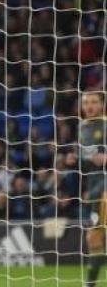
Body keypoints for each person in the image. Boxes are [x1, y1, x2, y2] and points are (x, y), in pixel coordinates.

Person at [81, 90, 107, 287]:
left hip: (104, 192)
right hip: (93, 191)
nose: (89, 106)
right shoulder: (83, 127)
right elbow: (85, 157)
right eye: (86, 102)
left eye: (93, 102)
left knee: (94, 237)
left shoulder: (105, 124)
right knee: (94, 241)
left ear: (102, 105)